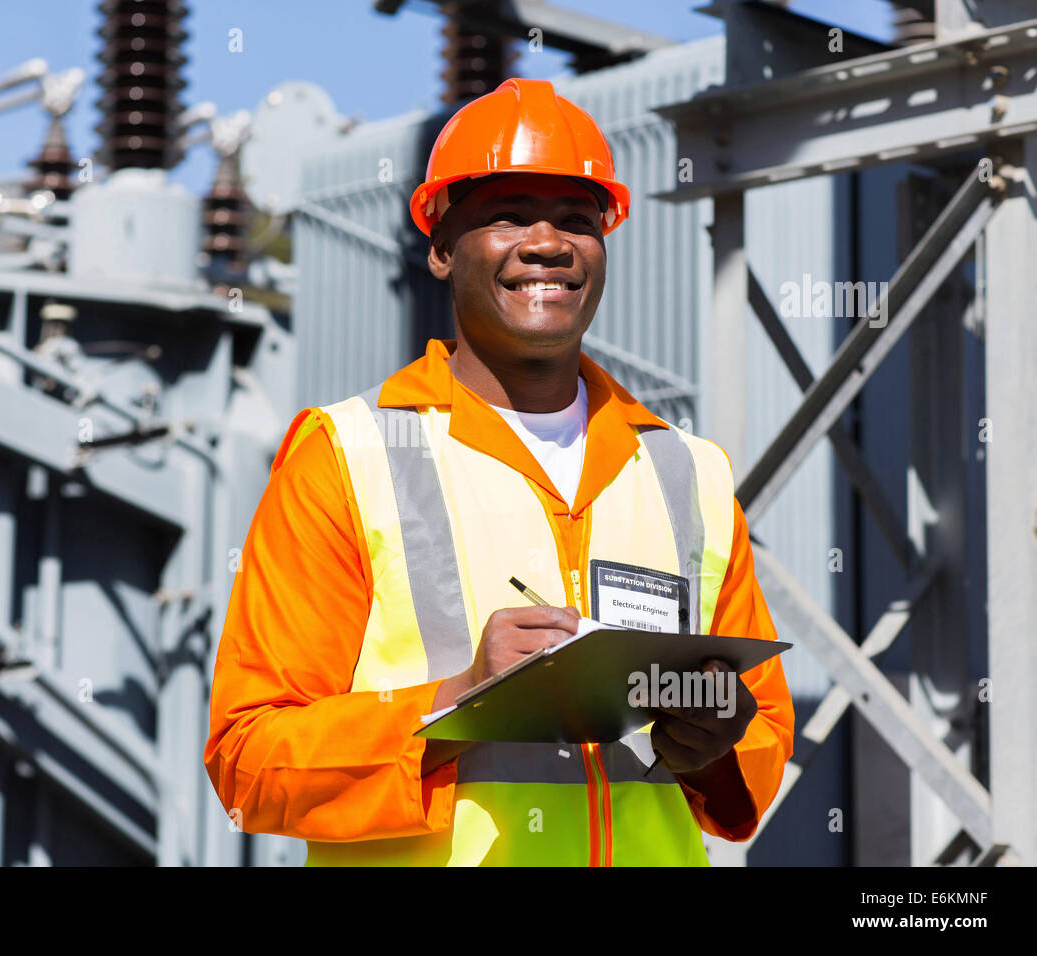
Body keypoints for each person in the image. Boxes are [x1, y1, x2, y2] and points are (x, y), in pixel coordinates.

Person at [205, 77, 793, 866]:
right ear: (442, 250)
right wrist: (459, 701)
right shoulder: (347, 457)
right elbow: (248, 760)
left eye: (578, 221)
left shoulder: (692, 475)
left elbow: (758, 751)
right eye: (509, 215)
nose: (548, 243)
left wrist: (713, 742)